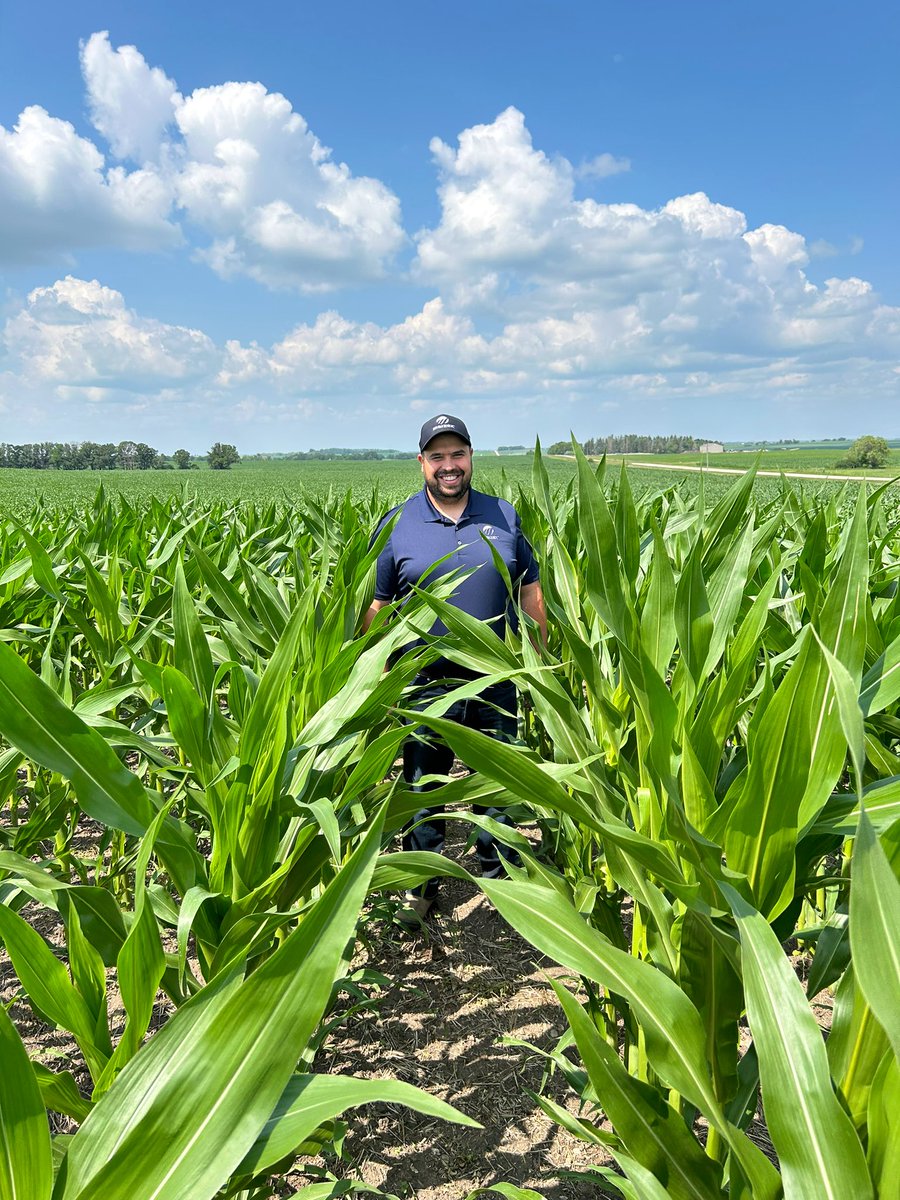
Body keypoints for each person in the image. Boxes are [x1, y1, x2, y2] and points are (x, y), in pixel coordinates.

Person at [363, 413, 547, 921]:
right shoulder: (397, 524)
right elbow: (378, 604)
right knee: (423, 785)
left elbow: (529, 589)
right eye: (438, 456)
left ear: (471, 458)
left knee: (499, 781)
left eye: (457, 455)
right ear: (422, 462)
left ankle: (501, 882)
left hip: (494, 678)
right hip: (423, 681)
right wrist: (370, 673)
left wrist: (537, 656)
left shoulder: (504, 515)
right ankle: (421, 885)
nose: (449, 466)